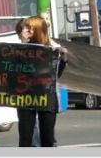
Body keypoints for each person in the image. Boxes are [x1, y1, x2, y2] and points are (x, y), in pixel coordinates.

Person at [16, 16, 68, 148]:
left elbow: (55, 76)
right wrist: (23, 43)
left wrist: (63, 60)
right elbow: (14, 71)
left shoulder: (51, 50)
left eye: (28, 28)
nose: (25, 30)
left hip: (46, 97)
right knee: (26, 139)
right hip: (26, 98)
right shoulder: (20, 49)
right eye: (25, 28)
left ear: (37, 30)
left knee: (47, 138)